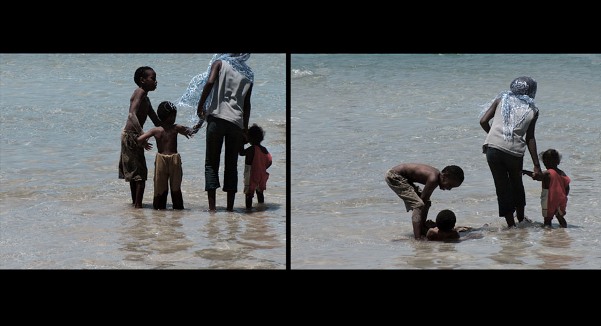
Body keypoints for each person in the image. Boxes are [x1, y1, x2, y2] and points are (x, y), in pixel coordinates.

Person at [179, 53, 254, 212]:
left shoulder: (219, 64)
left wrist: (200, 107)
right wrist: (245, 129)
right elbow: (247, 105)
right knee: (231, 165)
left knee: (211, 163)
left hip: (216, 120)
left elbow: (209, 83)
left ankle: (212, 209)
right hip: (236, 123)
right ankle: (230, 209)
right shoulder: (249, 74)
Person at [480, 76, 542, 227]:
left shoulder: (502, 99)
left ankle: (510, 225)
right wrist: (536, 165)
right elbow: (530, 138)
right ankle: (521, 219)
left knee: (501, 187)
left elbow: (483, 121)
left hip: (493, 149)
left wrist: (491, 136)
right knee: (516, 184)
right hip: (514, 153)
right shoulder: (533, 109)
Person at [137, 101, 194, 210]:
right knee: (159, 188)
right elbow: (140, 139)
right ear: (164, 116)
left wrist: (198, 123)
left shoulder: (176, 128)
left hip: (175, 159)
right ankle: (159, 211)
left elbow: (190, 131)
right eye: (172, 116)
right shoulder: (157, 130)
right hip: (161, 160)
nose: (174, 118)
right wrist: (144, 144)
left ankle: (177, 210)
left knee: (176, 188)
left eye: (174, 115)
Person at [118, 66, 161, 208]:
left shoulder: (146, 98)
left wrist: (172, 128)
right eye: (153, 79)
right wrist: (142, 135)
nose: (156, 82)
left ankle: (135, 206)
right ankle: (138, 207)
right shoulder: (140, 92)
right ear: (142, 80)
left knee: (135, 174)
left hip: (134, 135)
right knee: (140, 174)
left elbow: (156, 120)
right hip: (132, 136)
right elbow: (132, 115)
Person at [385, 163, 464, 240]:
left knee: (426, 202)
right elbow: (422, 201)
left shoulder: (436, 177)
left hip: (403, 178)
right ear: (444, 176)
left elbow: (425, 200)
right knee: (418, 204)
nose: (449, 189)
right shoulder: (433, 179)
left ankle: (421, 228)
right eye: (450, 185)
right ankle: (418, 237)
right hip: (394, 176)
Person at [523, 149, 570, 227]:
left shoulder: (547, 173)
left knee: (547, 219)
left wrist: (526, 172)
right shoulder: (562, 173)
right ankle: (564, 230)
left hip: (549, 199)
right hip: (561, 199)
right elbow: (567, 187)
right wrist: (564, 197)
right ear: (558, 161)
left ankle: (547, 234)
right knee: (560, 217)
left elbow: (537, 176)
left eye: (545, 162)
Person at [239, 123, 272, 210]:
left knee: (249, 193)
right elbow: (269, 161)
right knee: (260, 192)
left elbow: (241, 153)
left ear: (250, 138)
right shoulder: (264, 149)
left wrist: (241, 141)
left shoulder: (252, 149)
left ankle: (248, 210)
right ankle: (261, 207)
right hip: (262, 174)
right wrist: (262, 167)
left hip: (251, 173)